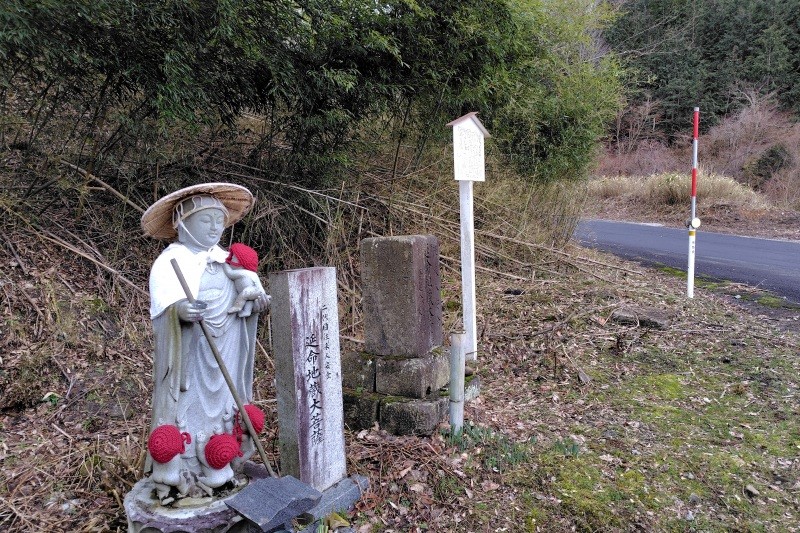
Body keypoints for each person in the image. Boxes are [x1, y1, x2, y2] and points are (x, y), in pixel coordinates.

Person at [140, 183, 269, 501]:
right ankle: (176, 473)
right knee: (187, 413)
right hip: (191, 358)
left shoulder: (227, 261)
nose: (214, 227)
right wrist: (180, 311)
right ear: (183, 223)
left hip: (227, 350)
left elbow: (250, 298)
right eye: (205, 220)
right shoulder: (171, 263)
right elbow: (164, 309)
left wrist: (255, 301)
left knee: (224, 411)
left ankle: (219, 469)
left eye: (218, 221)